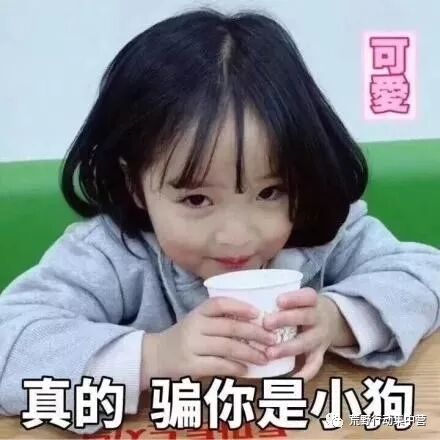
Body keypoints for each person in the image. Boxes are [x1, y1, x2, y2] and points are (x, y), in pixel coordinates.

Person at [0, 8, 439, 435]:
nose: (236, 236)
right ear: (135, 185)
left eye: (270, 192)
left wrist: (336, 318)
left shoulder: (321, 230)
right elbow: (10, 339)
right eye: (196, 199)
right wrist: (156, 356)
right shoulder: (112, 254)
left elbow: (425, 275)